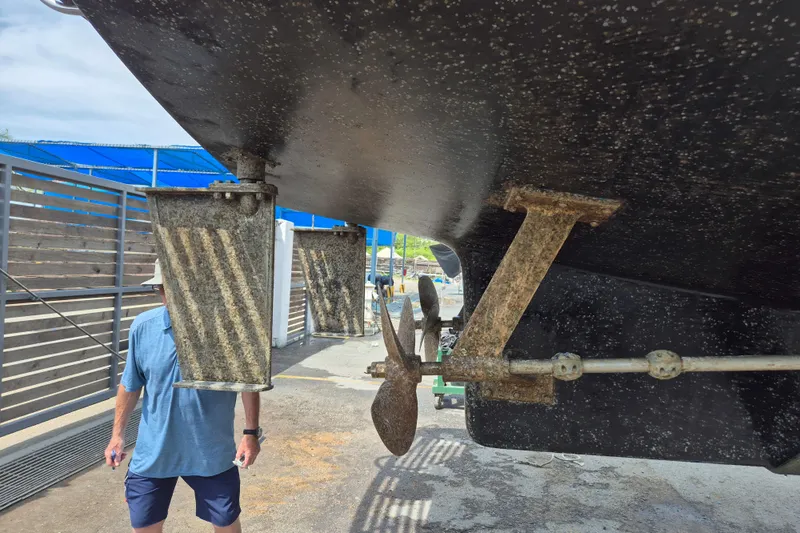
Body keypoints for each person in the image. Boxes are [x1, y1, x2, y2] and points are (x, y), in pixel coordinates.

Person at [105, 259, 262, 533]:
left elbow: (248, 384)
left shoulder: (229, 330)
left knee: (226, 524)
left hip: (211, 453)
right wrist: (117, 435)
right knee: (143, 526)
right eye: (164, 288)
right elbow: (130, 385)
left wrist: (250, 433)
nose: (170, 296)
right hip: (154, 452)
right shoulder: (143, 327)